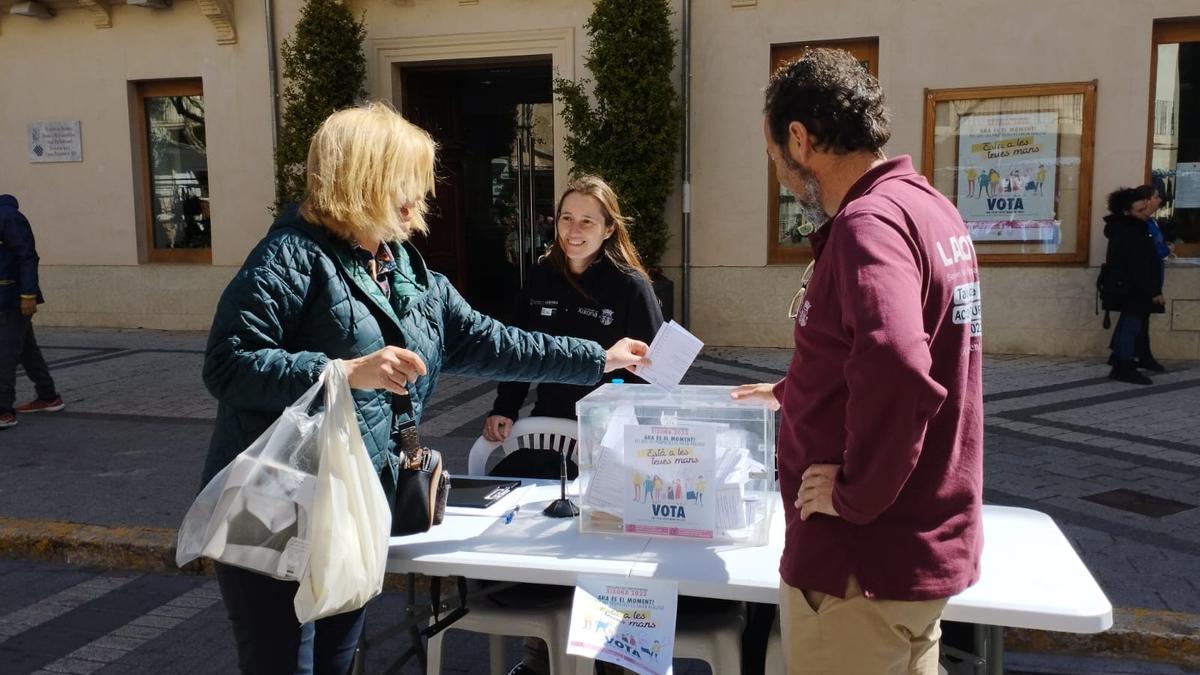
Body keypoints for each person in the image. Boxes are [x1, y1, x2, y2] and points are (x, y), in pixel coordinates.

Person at [201, 102, 649, 675]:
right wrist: (342, 371)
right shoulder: (291, 255)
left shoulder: (405, 266)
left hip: (351, 506)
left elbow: (498, 342)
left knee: (339, 662)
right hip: (274, 506)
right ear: (363, 180)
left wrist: (598, 357)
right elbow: (227, 365)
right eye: (407, 182)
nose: (422, 199)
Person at [731, 48, 983, 674]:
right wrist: (798, 390)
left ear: (800, 138)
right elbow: (890, 350)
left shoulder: (867, 224)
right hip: (906, 559)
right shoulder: (928, 208)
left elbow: (897, 362)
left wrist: (856, 495)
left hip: (858, 569)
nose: (781, 176)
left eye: (774, 158)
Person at [482, 175, 663, 448]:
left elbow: (654, 372)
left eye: (586, 221)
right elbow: (519, 348)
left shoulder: (631, 286)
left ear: (608, 229)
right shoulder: (541, 277)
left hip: (610, 435)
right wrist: (505, 407)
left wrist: (650, 439)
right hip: (548, 427)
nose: (573, 230)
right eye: (566, 218)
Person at [0, 194, 65, 430]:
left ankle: (4, 411)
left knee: (4, 354)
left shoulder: (8, 217)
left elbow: (27, 256)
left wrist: (28, 295)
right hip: (8, 296)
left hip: (12, 298)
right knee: (27, 349)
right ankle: (48, 397)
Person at [1102, 186, 1164, 385]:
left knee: (1129, 325)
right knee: (1131, 326)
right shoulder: (1130, 230)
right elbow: (1137, 264)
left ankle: (1121, 364)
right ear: (1127, 210)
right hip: (1132, 287)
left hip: (1130, 285)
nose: (1146, 206)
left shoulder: (1131, 227)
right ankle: (1125, 365)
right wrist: (1154, 291)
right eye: (1140, 206)